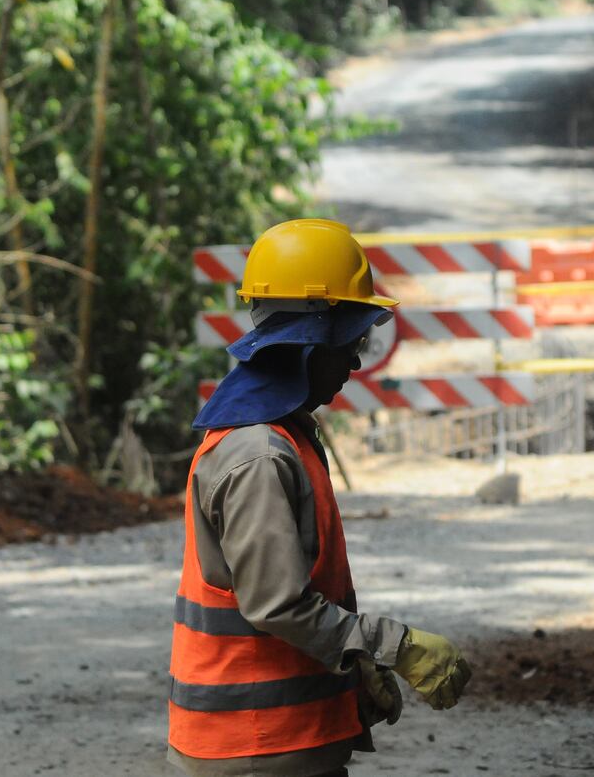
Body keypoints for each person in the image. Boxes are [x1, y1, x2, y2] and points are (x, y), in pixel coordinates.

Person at [168, 219, 472, 777]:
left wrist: (350, 663)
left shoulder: (279, 436)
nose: (355, 363)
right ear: (311, 345)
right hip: (257, 748)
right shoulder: (258, 453)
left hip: (270, 746)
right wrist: (393, 646)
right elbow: (277, 604)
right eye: (350, 343)